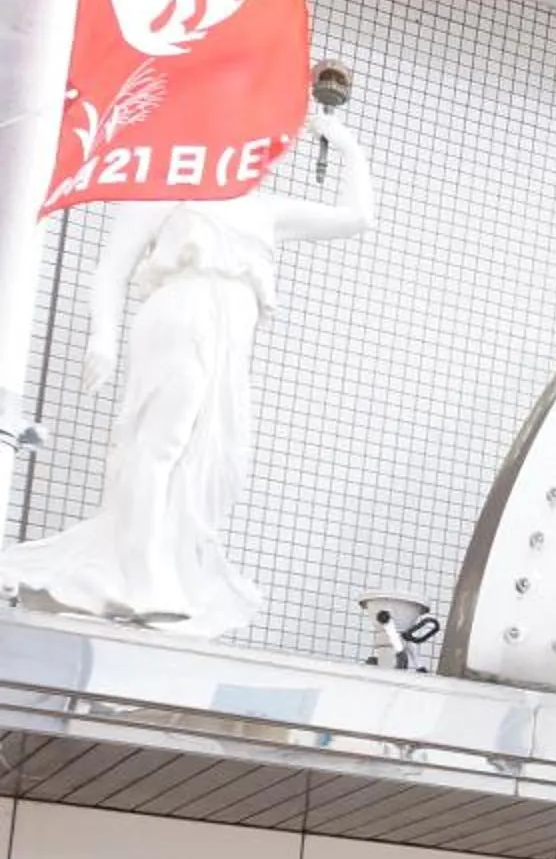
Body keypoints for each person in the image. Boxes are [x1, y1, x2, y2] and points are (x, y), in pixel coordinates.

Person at [0, 112, 375, 637]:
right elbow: (111, 268)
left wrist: (346, 145)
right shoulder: (169, 191)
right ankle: (142, 575)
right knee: (160, 443)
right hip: (181, 314)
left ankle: (169, 566)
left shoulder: (264, 208)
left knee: (212, 455)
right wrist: (103, 336)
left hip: (231, 331)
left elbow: (357, 217)